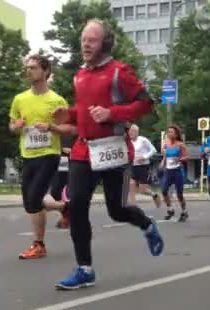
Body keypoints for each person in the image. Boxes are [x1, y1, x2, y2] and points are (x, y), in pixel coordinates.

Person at [52, 20, 163, 290]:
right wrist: (69, 114)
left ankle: (147, 225)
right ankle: (85, 269)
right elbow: (84, 112)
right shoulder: (78, 74)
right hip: (84, 149)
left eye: (92, 39)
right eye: (83, 39)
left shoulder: (119, 72)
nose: (85, 44)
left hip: (114, 150)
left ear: (105, 44)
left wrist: (113, 113)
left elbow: (147, 102)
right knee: (76, 205)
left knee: (118, 209)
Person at [9, 55, 74, 258]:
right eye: (27, 68)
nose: (29, 71)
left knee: (35, 198)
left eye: (34, 68)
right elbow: (12, 126)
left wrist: (51, 127)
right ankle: (65, 207)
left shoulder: (56, 100)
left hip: (49, 154)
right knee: (30, 204)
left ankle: (38, 244)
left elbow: (70, 127)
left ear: (45, 71)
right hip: (27, 154)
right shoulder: (19, 99)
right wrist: (16, 127)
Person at [160, 125, 189, 222]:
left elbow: (187, 157)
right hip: (168, 171)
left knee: (179, 194)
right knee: (164, 191)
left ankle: (184, 212)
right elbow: (165, 156)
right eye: (168, 132)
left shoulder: (180, 144)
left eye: (172, 132)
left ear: (176, 134)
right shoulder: (165, 144)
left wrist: (180, 159)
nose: (170, 134)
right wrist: (162, 163)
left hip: (178, 171)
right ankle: (170, 210)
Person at [127, 124, 160, 207]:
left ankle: (154, 195)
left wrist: (144, 157)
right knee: (131, 184)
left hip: (143, 167)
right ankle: (133, 206)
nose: (130, 133)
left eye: (133, 131)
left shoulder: (143, 140)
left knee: (142, 189)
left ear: (137, 132)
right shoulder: (127, 141)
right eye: (129, 131)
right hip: (132, 166)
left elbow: (153, 150)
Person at [48, 135, 74, 229]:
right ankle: (67, 214)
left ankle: (70, 217)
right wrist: (61, 147)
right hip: (61, 156)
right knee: (56, 190)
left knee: (72, 189)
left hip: (77, 156)